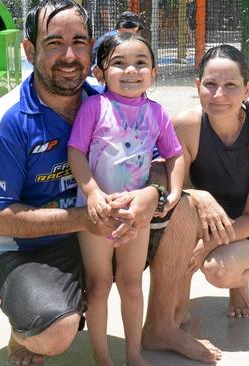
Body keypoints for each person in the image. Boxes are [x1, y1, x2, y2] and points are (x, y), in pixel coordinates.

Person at [0, 0, 220, 364]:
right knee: (55, 332)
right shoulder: (5, 123)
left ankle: (161, 325)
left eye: (79, 42)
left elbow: (156, 158)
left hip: (95, 225)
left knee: (184, 210)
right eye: (54, 43)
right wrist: (87, 216)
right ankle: (30, 321)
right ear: (29, 49)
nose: (69, 55)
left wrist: (156, 193)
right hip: (24, 248)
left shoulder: (106, 97)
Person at [68, 33, 184, 366]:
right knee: (99, 283)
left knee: (132, 283)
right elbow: (75, 151)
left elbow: (175, 155)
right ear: (100, 73)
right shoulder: (95, 107)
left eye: (140, 63)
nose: (130, 70)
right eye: (118, 63)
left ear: (154, 72)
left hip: (135, 214)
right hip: (97, 212)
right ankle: (101, 356)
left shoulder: (157, 113)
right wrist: (92, 193)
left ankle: (133, 353)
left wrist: (173, 193)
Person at [172, 44, 249, 320]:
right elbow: (175, 191)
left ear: (247, 89)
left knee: (218, 270)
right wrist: (200, 197)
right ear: (198, 85)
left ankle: (239, 282)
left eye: (231, 85)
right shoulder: (186, 126)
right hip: (198, 219)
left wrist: (208, 246)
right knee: (175, 225)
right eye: (210, 84)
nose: (219, 94)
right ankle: (176, 310)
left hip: (246, 229)